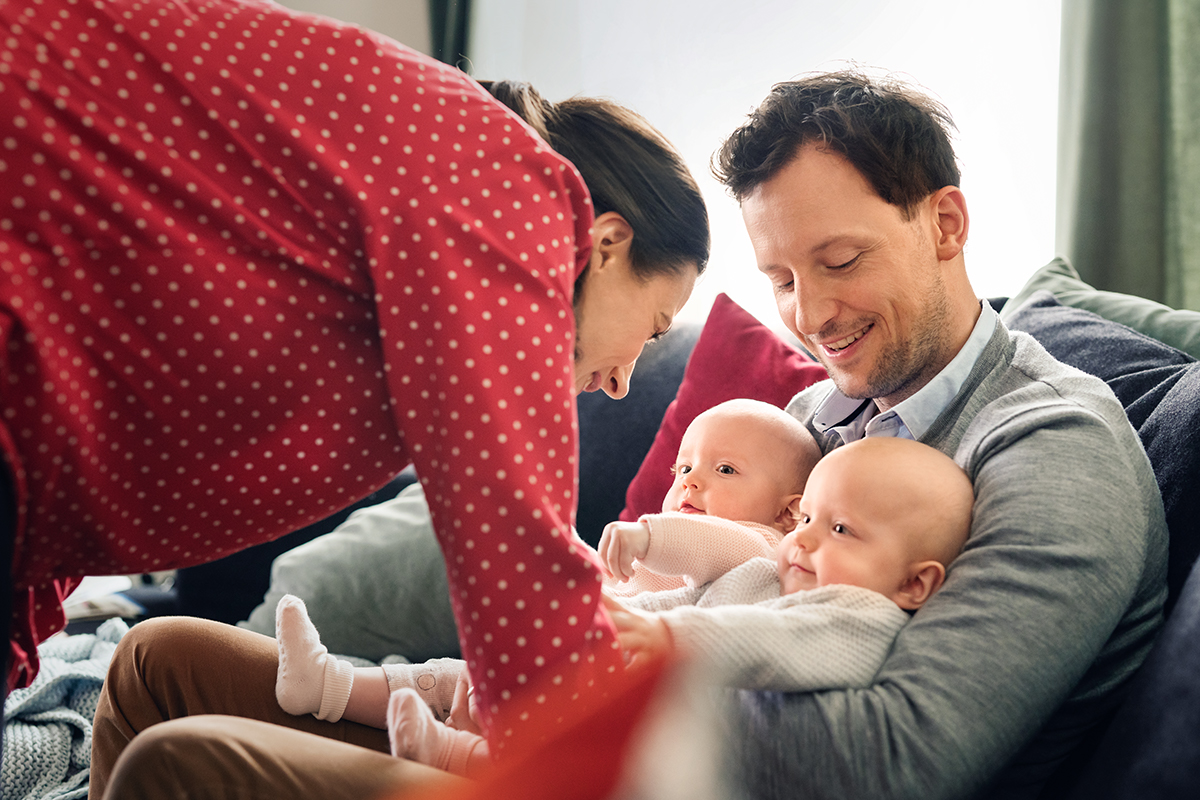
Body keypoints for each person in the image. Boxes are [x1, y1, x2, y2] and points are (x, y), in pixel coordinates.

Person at [0, 0, 711, 785]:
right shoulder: (512, 189)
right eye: (651, 329)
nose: (620, 382)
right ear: (607, 244)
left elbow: (132, 414)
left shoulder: (426, 224)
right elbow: (518, 572)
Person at [708, 70, 1167, 799]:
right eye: (784, 280)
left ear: (946, 225)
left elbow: (890, 761)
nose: (812, 316)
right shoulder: (809, 420)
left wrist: (599, 681)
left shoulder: (1056, 446)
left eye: (840, 261)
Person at [267, 397, 829, 775]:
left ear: (790, 513)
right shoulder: (678, 545)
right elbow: (605, 586)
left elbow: (708, 544)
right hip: (582, 662)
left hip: (622, 691)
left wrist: (647, 536)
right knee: (448, 675)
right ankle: (327, 686)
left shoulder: (765, 547)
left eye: (724, 471)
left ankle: (455, 754)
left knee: (530, 725)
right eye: (684, 468)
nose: (692, 481)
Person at [378, 435, 972, 777]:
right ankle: (370, 697)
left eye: (841, 530)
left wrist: (666, 638)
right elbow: (688, 595)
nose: (808, 539)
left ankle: (459, 756)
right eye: (810, 519)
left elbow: (764, 643)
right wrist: (622, 619)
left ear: (914, 585)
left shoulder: (863, 617)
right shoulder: (772, 574)